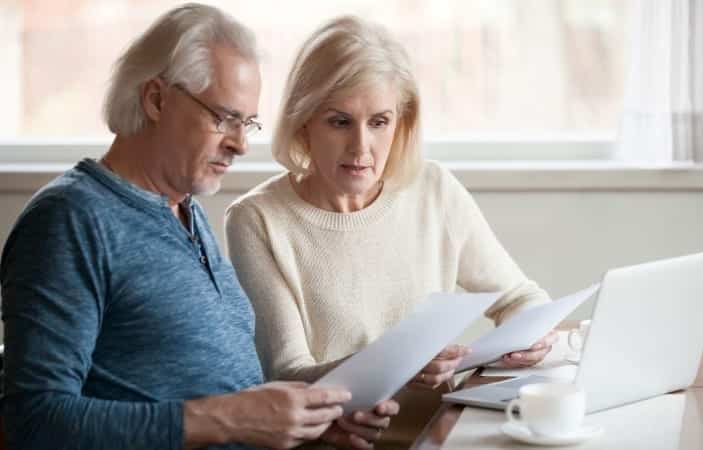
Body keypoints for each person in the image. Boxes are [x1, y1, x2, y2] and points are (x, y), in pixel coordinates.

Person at [0, 5, 397, 450]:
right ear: (156, 99)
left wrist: (309, 421)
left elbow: (213, 395)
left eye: (247, 123)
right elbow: (33, 422)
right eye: (224, 117)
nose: (241, 144)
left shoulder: (185, 210)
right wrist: (227, 419)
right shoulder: (70, 220)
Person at [225, 15, 558, 448]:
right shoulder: (257, 219)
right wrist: (397, 363)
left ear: (401, 122)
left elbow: (522, 298)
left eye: (379, 122)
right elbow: (288, 375)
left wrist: (531, 336)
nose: (361, 147)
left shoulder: (434, 189)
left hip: (443, 435)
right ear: (304, 121)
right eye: (340, 122)